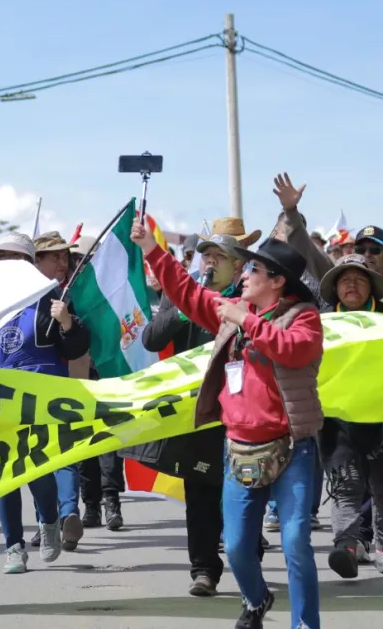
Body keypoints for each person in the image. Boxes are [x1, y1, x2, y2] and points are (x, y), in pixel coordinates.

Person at [133, 218, 324, 629]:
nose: (245, 272)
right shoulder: (235, 310)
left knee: (295, 544)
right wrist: (151, 248)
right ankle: (257, 600)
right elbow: (187, 293)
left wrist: (246, 320)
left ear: (278, 281)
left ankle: (305, 624)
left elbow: (292, 349)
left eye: (253, 268)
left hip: (292, 447)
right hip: (238, 448)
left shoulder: (304, 317)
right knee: (236, 547)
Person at [137, 232, 257, 597]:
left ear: (238, 265)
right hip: (199, 414)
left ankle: (249, 562)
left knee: (245, 490)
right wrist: (181, 309)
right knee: (201, 493)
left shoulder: (251, 300)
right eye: (206, 256)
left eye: (219, 256)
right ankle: (204, 570)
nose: (210, 262)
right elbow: (151, 339)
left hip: (243, 412)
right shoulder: (186, 295)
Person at [0, 233, 91, 572]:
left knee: (35, 468)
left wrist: (67, 322)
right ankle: (13, 546)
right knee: (5, 475)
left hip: (42, 397)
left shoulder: (51, 298)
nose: (5, 264)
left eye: (12, 258)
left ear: (27, 264)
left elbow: (75, 348)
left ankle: (49, 521)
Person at [317, 254, 383, 577]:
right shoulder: (320, 324)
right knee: (347, 485)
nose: (352, 285)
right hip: (338, 423)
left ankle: (381, 547)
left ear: (371, 287)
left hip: (380, 419)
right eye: (345, 280)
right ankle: (346, 546)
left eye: (359, 279)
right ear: (335, 289)